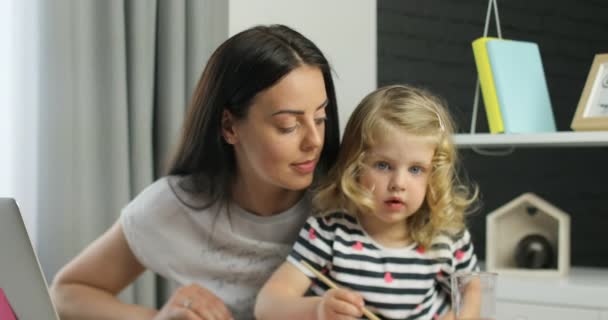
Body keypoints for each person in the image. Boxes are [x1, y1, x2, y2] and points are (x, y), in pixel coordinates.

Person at [50, 24, 340, 320]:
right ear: (229, 126)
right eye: (288, 126)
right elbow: (66, 292)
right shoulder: (174, 206)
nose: (314, 141)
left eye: (320, 117)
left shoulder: (345, 203)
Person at [255, 84, 480, 320]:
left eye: (416, 169)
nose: (398, 183)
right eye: (383, 165)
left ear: (433, 175)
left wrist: (458, 317)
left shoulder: (445, 235)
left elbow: (474, 288)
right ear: (354, 166)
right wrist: (319, 310)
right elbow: (267, 305)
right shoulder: (329, 233)